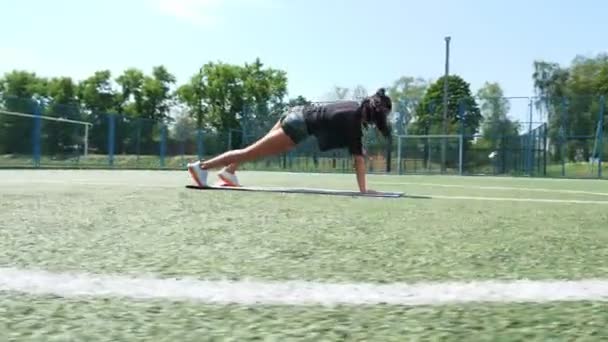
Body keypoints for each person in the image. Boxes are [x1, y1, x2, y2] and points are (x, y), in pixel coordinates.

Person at [187, 88, 392, 193]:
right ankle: (202, 167)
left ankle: (229, 172)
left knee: (254, 149)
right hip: (298, 126)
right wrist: (364, 191)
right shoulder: (354, 122)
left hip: (296, 113)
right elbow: (358, 160)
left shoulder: (352, 106)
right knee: (250, 152)